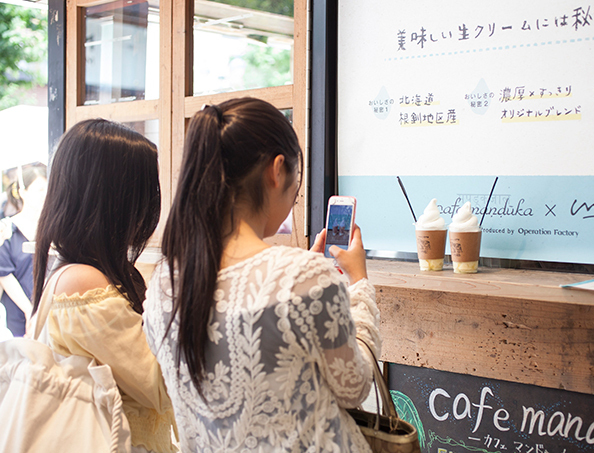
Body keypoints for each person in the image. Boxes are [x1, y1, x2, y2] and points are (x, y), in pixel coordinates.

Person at [143, 98, 381, 452]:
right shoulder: (305, 277)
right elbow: (354, 386)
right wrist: (358, 285)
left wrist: (305, 275)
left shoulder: (166, 281)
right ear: (277, 170)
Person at [31, 119, 176, 453]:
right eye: (145, 192)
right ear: (118, 201)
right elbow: (160, 384)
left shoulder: (70, 272)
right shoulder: (82, 282)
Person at [0, 164, 47, 337]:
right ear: (23, 192)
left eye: (48, 189)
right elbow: (4, 274)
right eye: (40, 189)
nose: (45, 194)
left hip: (48, 310)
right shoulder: (6, 228)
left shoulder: (52, 230)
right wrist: (29, 311)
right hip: (18, 314)